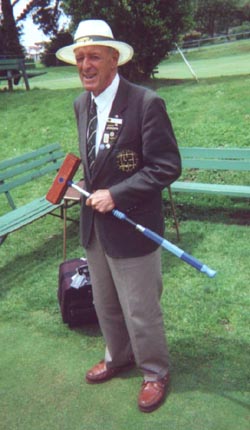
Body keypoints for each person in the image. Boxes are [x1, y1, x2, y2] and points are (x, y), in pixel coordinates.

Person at [56, 19, 181, 413]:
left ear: (115, 60)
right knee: (104, 302)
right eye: (79, 58)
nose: (85, 65)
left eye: (94, 56)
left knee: (141, 307)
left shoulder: (145, 102)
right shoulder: (81, 104)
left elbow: (166, 166)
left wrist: (118, 194)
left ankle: (155, 371)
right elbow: (97, 163)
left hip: (133, 226)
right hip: (95, 226)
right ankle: (118, 356)